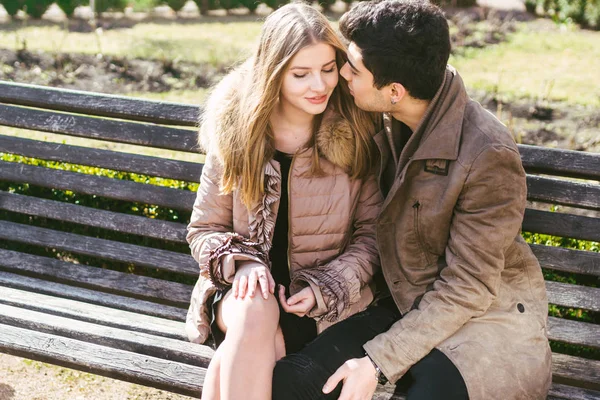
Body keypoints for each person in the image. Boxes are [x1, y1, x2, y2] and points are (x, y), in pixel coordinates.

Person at [272, 1, 553, 399]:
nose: (340, 76)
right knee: (294, 381)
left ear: (394, 92)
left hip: (484, 320)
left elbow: (470, 286)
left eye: (352, 68)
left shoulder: (487, 152)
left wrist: (377, 362)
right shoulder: (378, 114)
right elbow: (274, 86)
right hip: (399, 302)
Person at [184, 3, 383, 400]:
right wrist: (238, 263)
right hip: (239, 298)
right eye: (301, 74)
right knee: (256, 307)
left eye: (328, 69)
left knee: (245, 357)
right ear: (273, 74)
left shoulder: (356, 132)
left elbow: (372, 237)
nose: (319, 85)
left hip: (317, 305)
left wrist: (324, 288)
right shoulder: (236, 132)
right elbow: (204, 229)